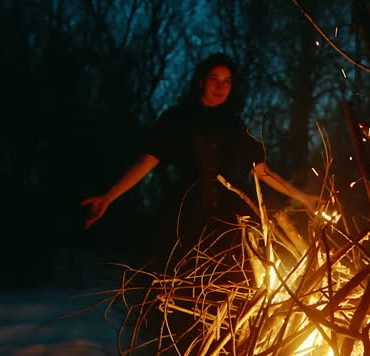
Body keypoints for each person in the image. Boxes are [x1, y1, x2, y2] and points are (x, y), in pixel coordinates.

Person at [81, 53, 318, 262]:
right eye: (214, 78)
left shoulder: (233, 124)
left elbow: (262, 171)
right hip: (184, 217)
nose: (221, 87)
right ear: (201, 81)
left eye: (227, 81)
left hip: (226, 221)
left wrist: (302, 197)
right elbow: (147, 162)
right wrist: (108, 198)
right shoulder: (177, 118)